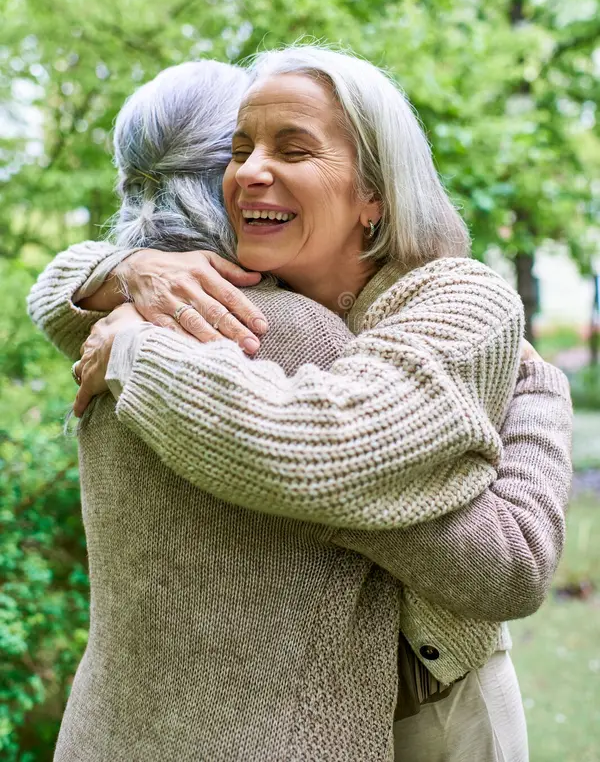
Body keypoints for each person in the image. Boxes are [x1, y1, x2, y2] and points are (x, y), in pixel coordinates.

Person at [28, 52, 572, 762]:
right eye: (238, 148)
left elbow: (501, 555)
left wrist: (540, 389)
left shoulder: (457, 301)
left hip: (439, 694)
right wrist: (123, 269)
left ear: (374, 193)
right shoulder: (208, 300)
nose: (251, 170)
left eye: (293, 148)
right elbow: (57, 295)